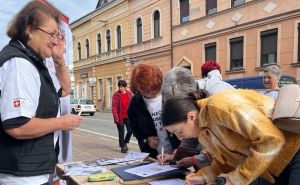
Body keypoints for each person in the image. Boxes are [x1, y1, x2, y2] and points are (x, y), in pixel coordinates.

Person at [0, 1, 82, 185]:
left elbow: (64, 90)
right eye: (51, 34)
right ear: (29, 30)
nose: (55, 40)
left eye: (57, 35)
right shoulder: (20, 65)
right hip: (22, 176)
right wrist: (61, 122)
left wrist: (59, 59)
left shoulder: (34, 61)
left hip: (32, 170)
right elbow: (17, 126)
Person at [161, 89, 300, 185]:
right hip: (272, 163)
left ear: (191, 117)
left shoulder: (220, 107)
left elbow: (271, 139)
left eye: (179, 131)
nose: (180, 138)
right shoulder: (204, 132)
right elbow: (226, 162)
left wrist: (238, 178)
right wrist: (203, 177)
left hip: (294, 149)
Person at [157, 67, 212, 169]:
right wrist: (177, 156)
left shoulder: (216, 100)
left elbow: (222, 151)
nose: (179, 137)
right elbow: (190, 133)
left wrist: (195, 160)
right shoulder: (190, 103)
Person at [128, 64, 180, 158]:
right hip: (152, 156)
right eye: (147, 92)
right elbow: (133, 127)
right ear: (138, 89)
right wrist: (146, 139)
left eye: (155, 90)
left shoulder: (171, 96)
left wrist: (182, 149)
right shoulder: (135, 103)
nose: (152, 94)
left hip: (175, 152)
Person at [112, 80, 133, 153]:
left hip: (128, 116)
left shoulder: (129, 94)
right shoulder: (116, 95)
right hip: (120, 117)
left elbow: (132, 105)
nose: (121, 88)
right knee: (121, 132)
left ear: (125, 87)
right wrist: (116, 117)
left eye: (122, 87)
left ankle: (125, 142)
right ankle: (122, 147)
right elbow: (114, 106)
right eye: (120, 87)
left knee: (130, 130)